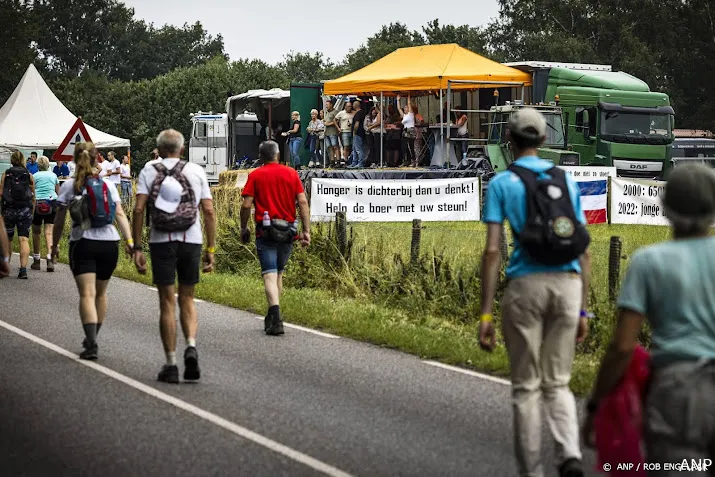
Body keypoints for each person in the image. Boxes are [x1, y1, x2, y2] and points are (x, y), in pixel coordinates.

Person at [478, 108, 591, 477]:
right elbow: (584, 248)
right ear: (544, 140)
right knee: (558, 382)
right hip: (568, 284)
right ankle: (569, 454)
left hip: (526, 285)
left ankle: (533, 471)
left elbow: (494, 250)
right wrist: (584, 310)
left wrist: (486, 313)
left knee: (526, 387)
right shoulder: (566, 180)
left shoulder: (501, 184)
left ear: (509, 140)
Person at [582, 163, 715, 475]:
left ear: (666, 208)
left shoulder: (648, 262)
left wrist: (596, 403)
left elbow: (622, 347)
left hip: (679, 390)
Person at [132, 129, 216, 384]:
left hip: (161, 240)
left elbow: (138, 208)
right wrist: (210, 250)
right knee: (187, 298)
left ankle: (171, 363)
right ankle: (190, 344)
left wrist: (137, 246)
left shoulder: (149, 169)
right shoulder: (196, 171)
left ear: (159, 148)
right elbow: (209, 211)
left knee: (167, 301)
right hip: (191, 240)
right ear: (182, 149)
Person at [51, 142, 133, 360]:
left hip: (83, 242)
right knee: (101, 294)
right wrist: (130, 241)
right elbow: (121, 215)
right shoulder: (108, 184)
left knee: (86, 294)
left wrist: (54, 245)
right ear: (98, 159)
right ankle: (92, 338)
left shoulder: (70, 186)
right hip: (110, 243)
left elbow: (59, 222)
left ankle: (92, 343)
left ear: (75, 160)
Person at [240, 140, 310, 336]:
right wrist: (306, 230)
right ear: (278, 155)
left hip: (266, 231)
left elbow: (246, 205)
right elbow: (302, 202)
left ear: (261, 157)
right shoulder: (291, 174)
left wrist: (243, 227)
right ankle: (273, 315)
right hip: (288, 230)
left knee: (269, 274)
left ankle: (275, 315)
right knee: (278, 273)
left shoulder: (256, 175)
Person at [1, 151, 35, 279]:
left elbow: (1, 192)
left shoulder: (6, 174)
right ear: (23, 160)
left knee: (8, 240)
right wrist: (32, 211)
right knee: (23, 239)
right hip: (25, 210)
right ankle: (23, 270)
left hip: (9, 210)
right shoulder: (29, 175)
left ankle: (6, 267)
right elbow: (33, 196)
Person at [31, 155, 60, 272]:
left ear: (38, 165)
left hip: (38, 203)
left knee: (36, 232)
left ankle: (36, 260)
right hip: (51, 203)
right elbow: (58, 191)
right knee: (49, 232)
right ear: (48, 165)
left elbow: (31, 191)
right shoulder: (54, 176)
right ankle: (49, 259)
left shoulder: (34, 176)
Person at [397, 95, 417, 167]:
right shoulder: (404, 116)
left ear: (409, 109)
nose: (404, 108)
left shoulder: (410, 114)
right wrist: (398, 100)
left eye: (406, 107)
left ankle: (413, 161)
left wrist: (409, 95)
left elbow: (409, 103)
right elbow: (399, 108)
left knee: (410, 146)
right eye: (404, 107)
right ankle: (406, 160)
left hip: (410, 130)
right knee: (404, 147)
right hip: (405, 131)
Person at [348, 100, 367, 169]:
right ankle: (354, 162)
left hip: (358, 133)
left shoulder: (358, 113)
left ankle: (360, 163)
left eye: (353, 105)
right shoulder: (361, 113)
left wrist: (354, 132)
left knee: (358, 149)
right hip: (359, 133)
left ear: (355, 105)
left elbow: (357, 124)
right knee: (355, 149)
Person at [335, 102, 354, 166]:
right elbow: (334, 120)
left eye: (350, 106)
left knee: (352, 146)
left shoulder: (353, 113)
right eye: (348, 106)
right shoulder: (341, 113)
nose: (349, 108)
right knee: (346, 146)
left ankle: (351, 160)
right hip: (344, 131)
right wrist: (338, 128)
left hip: (352, 131)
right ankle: (346, 160)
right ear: (345, 107)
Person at [323, 100, 340, 168]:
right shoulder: (327, 112)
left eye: (327, 104)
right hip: (326, 132)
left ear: (331, 105)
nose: (326, 106)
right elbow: (326, 121)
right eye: (326, 105)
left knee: (335, 146)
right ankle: (332, 161)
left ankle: (338, 161)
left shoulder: (335, 112)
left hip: (333, 132)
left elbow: (337, 120)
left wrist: (328, 124)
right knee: (329, 147)